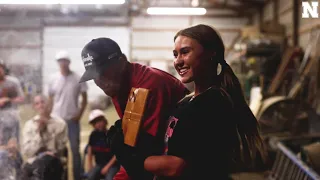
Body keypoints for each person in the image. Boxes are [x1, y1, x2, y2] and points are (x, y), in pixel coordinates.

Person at [107, 24, 268, 180]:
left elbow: (176, 167)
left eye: (185, 52)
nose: (178, 61)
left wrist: (129, 156)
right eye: (175, 55)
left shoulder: (213, 103)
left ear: (210, 53)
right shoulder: (188, 101)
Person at [79, 38, 189, 180]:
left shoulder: (145, 87)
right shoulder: (119, 87)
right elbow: (133, 152)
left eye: (103, 72)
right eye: (94, 77)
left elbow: (146, 156)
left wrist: (126, 155)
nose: (101, 82)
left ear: (122, 61)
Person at [48, 50, 88, 180]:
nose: (63, 63)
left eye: (65, 61)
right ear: (58, 63)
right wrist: (48, 116)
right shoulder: (53, 78)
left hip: (72, 120)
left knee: (75, 151)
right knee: (57, 150)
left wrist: (79, 115)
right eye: (60, 61)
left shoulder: (78, 78)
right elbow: (50, 99)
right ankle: (59, 176)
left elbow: (84, 98)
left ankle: (78, 176)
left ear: (69, 62)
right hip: (56, 120)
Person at [21, 95, 68, 180]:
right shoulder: (29, 125)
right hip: (33, 160)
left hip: (54, 161)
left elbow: (60, 149)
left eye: (43, 102)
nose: (41, 105)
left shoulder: (60, 124)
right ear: (34, 107)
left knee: (46, 164)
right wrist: (39, 133)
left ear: (49, 104)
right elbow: (27, 151)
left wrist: (48, 129)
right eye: (37, 103)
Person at [86, 109, 120, 180]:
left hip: (112, 165)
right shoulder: (93, 135)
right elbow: (90, 149)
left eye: (99, 121)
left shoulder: (112, 135)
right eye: (95, 123)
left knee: (109, 178)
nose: (98, 124)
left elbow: (117, 155)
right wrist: (90, 165)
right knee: (90, 177)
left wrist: (107, 167)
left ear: (105, 121)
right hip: (99, 164)